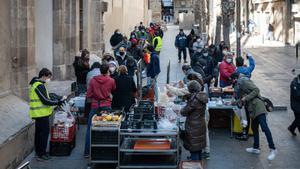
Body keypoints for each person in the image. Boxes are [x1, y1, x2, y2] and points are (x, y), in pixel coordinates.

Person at [230, 72, 277, 161]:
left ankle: (273, 149)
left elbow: (256, 90)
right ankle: (256, 147)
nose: (232, 82)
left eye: (232, 80)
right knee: (254, 127)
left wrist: (246, 98)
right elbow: (243, 98)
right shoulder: (240, 84)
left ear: (235, 78)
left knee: (264, 128)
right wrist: (234, 102)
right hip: (252, 109)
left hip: (258, 107)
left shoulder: (244, 81)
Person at [29, 68, 64, 160]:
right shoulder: (38, 85)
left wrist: (56, 97)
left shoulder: (38, 84)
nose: (49, 79)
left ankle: (38, 152)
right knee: (43, 135)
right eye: (48, 77)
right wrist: (57, 103)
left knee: (39, 134)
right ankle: (42, 154)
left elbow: (46, 96)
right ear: (43, 76)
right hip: (41, 114)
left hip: (39, 114)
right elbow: (45, 101)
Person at [84, 63, 116, 157]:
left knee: (90, 128)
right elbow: (113, 89)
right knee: (109, 126)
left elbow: (89, 94)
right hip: (106, 105)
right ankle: (108, 150)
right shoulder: (111, 80)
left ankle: (87, 152)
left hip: (95, 105)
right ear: (107, 71)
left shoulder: (93, 80)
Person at [180, 80, 208, 164]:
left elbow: (184, 112)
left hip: (193, 127)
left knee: (194, 148)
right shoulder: (202, 96)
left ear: (190, 89)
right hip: (200, 124)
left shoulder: (194, 100)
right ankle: (198, 162)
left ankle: (195, 163)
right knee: (198, 147)